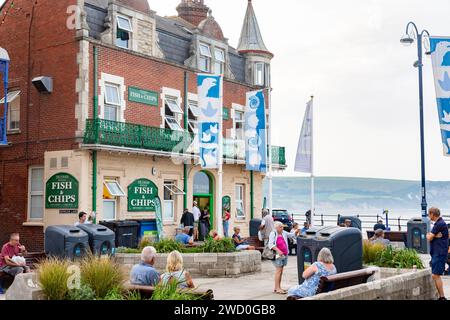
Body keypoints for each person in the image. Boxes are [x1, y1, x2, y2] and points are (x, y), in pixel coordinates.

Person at [268, 221, 297, 294]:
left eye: (282, 227)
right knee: (278, 270)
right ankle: (277, 288)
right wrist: (278, 250)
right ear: (276, 228)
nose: (282, 228)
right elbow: (270, 245)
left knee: (281, 270)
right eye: (280, 227)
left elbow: (291, 235)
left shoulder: (283, 232)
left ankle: (278, 287)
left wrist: (296, 232)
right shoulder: (273, 233)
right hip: (277, 255)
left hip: (284, 254)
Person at [426, 207, 448, 300]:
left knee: (436, 275)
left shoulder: (439, 224)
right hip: (437, 252)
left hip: (439, 253)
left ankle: (442, 297)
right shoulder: (439, 223)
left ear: (432, 214)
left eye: (428, 214)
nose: (428, 216)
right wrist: (434, 235)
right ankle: (441, 297)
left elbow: (429, 237)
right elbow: (431, 236)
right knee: (435, 275)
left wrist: (431, 235)